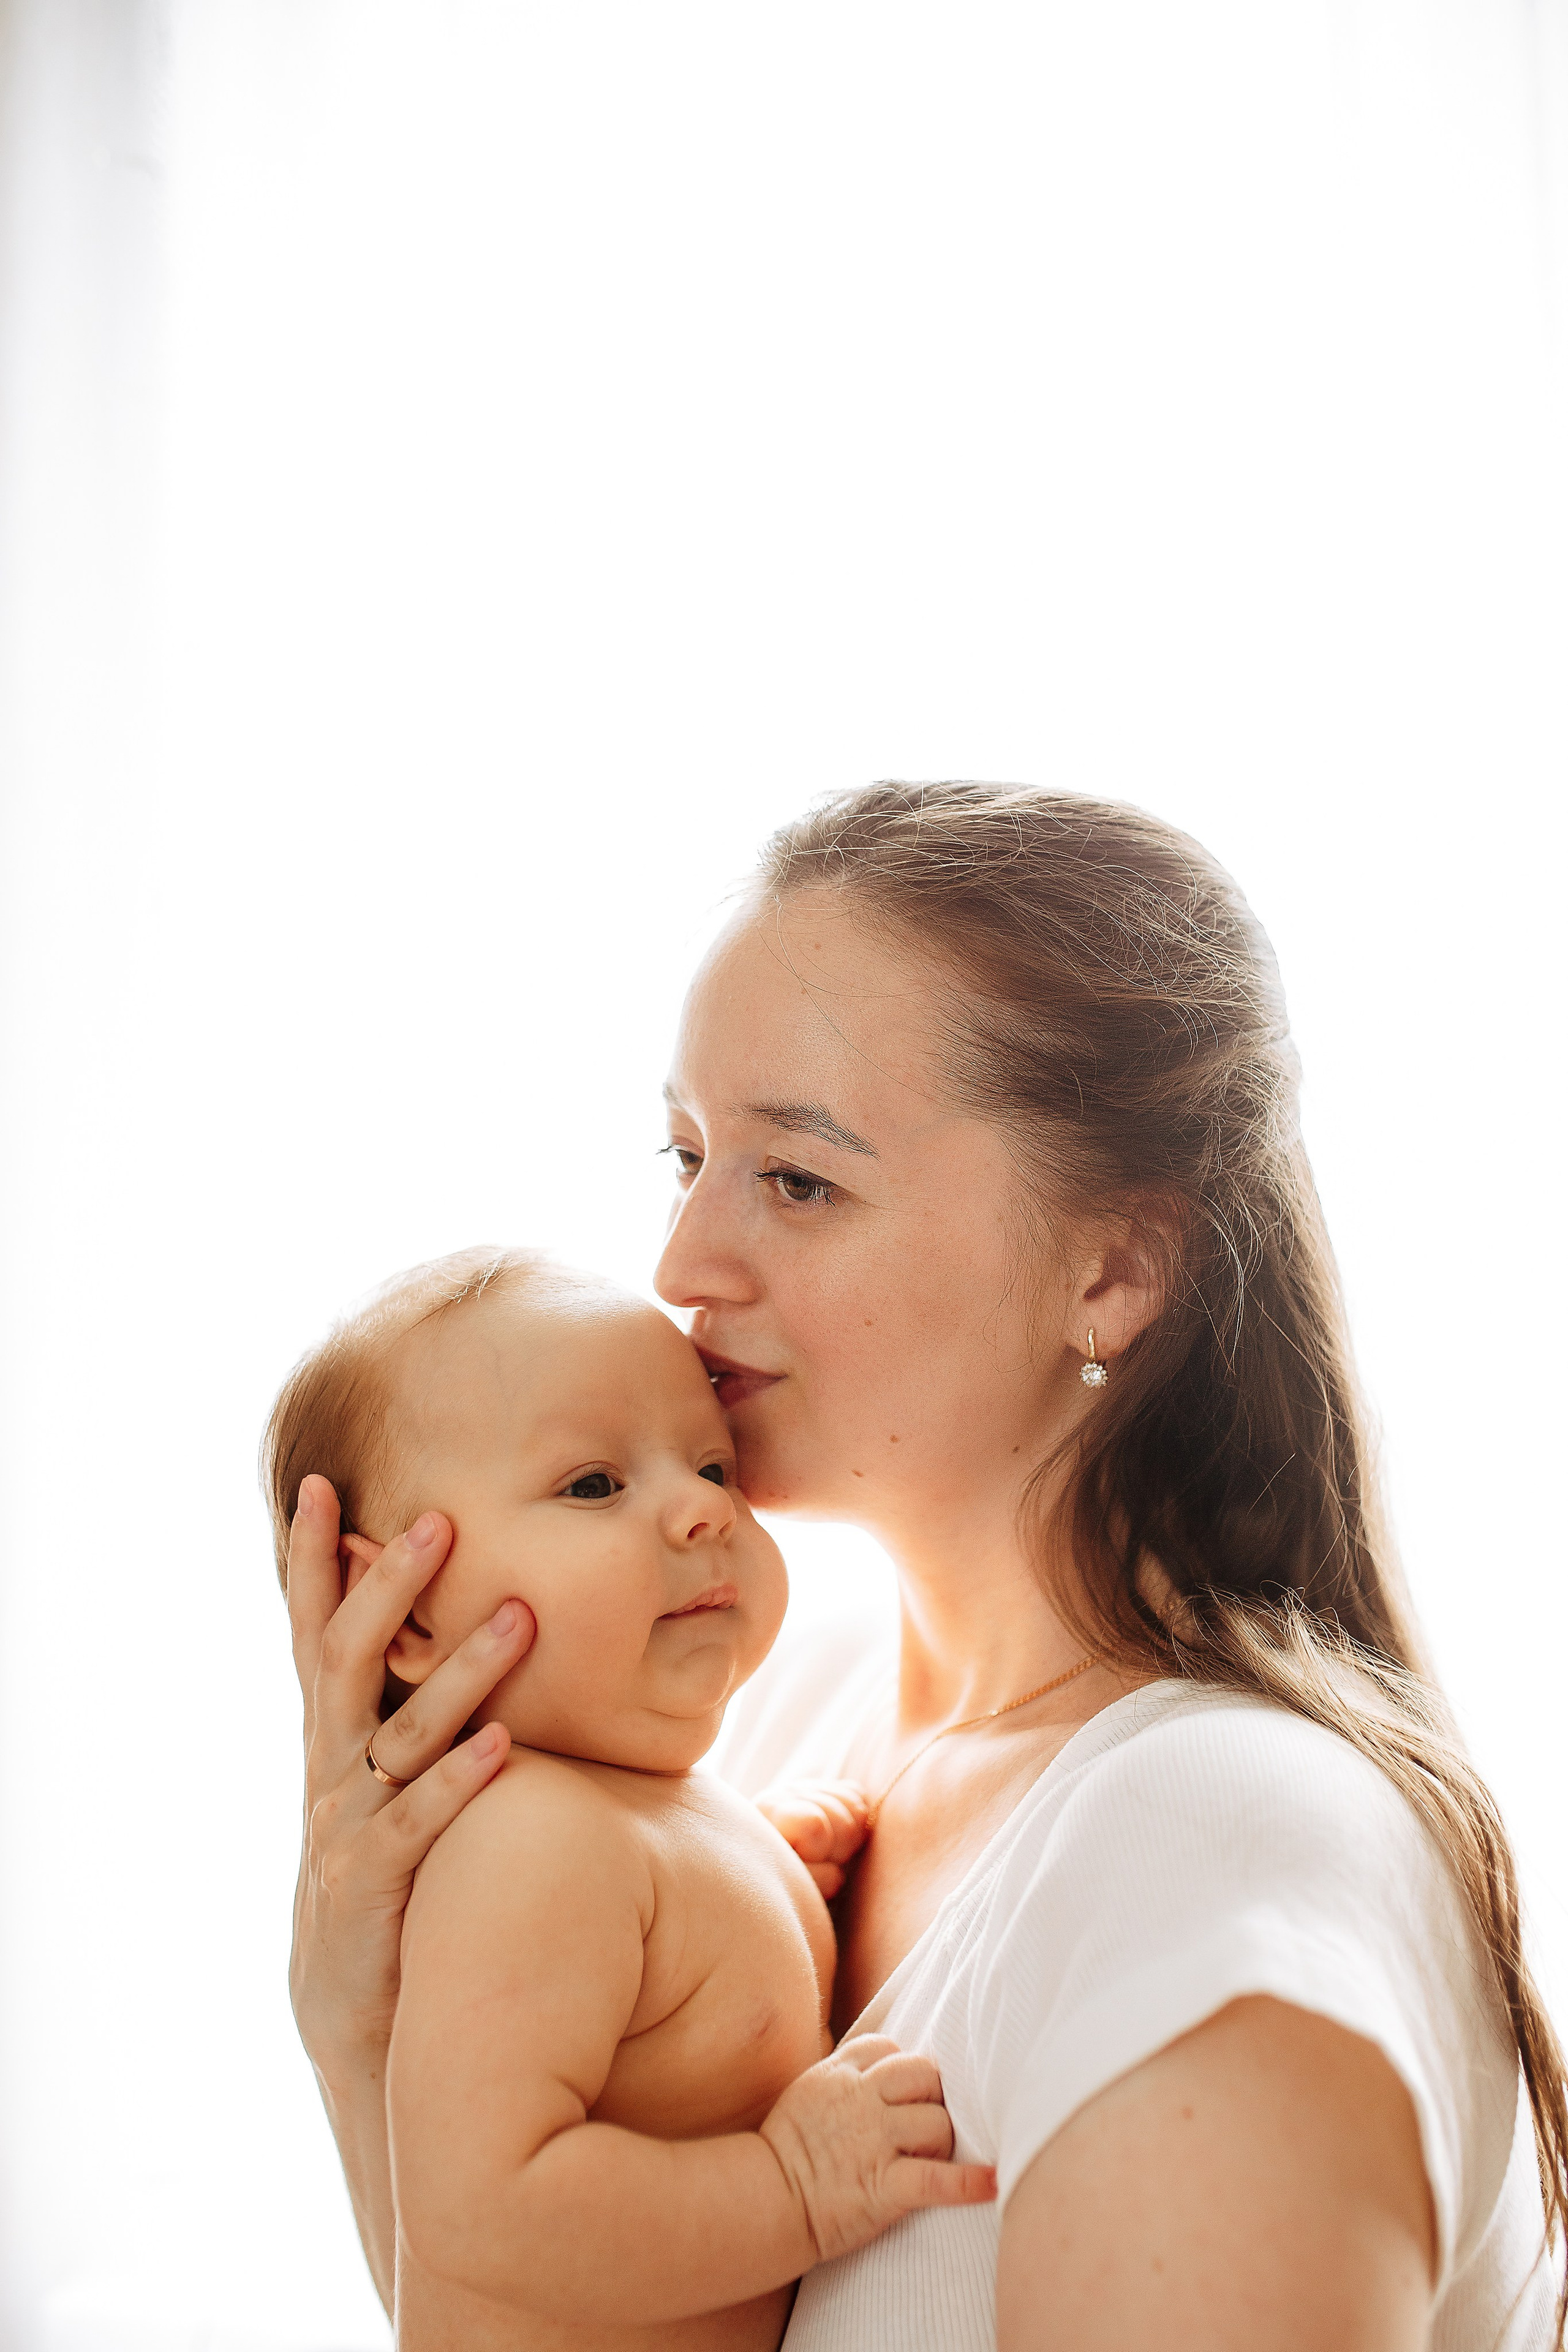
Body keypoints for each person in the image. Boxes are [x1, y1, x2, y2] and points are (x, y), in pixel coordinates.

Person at [282, 783, 1567, 2350]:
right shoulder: (767, 1722)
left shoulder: (1220, 1852)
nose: (683, 1268)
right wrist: (362, 2029)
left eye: (798, 1180)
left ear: (1109, 1272)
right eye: (683, 1156)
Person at [264, 1249, 993, 2350]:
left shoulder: (635, 1815)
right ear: (407, 1616)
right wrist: (791, 2187)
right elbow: (483, 2210)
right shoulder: (528, 1841)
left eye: (714, 1468)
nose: (701, 1512)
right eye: (595, 1484)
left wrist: (756, 1866)